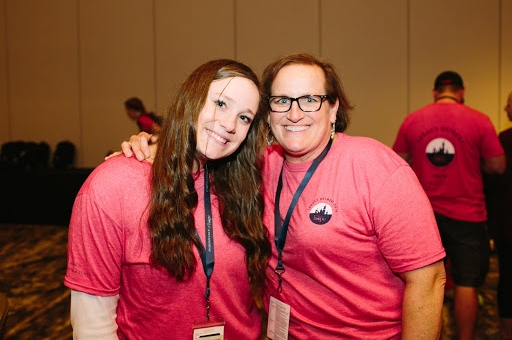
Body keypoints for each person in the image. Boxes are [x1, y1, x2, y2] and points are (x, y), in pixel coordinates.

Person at [123, 53, 446, 339]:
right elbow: (197, 158)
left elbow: (428, 281)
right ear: (266, 113)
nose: (294, 114)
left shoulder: (374, 167)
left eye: (310, 100)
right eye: (281, 100)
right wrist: (155, 144)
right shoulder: (254, 166)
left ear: (333, 108)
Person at [65, 59, 271, 339]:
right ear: (191, 100)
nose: (229, 124)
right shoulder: (113, 184)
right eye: (221, 103)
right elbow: (93, 326)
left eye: (245, 117)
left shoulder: (246, 184)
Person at [393, 71, 506, 340]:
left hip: (424, 214)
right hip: (468, 215)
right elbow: (498, 165)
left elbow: (398, 162)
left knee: (422, 282)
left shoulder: (413, 120)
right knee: (467, 283)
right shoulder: (479, 120)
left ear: (434, 92)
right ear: (461, 91)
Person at [487, 91, 512, 339]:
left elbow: (493, 180)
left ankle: (507, 331)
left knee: (507, 280)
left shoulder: (504, 140)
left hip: (507, 224)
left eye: (509, 105)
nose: (506, 109)